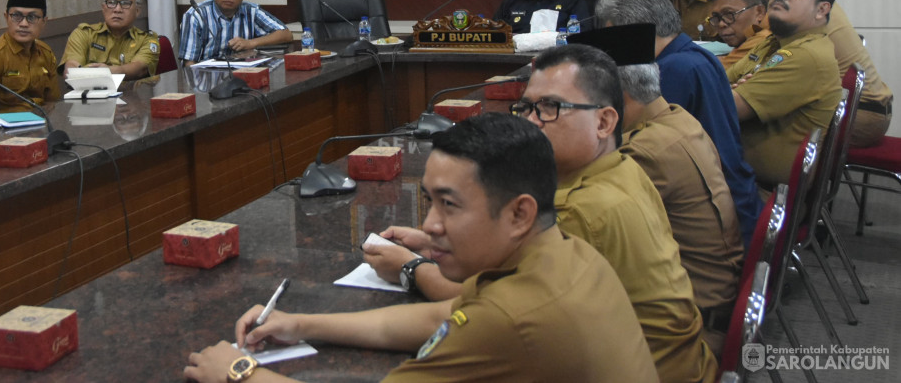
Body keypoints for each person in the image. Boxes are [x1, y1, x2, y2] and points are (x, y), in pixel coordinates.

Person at [185, 114, 658, 383]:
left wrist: (240, 371)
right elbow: (440, 319)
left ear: (519, 213)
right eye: (430, 201)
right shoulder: (564, 251)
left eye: (449, 205)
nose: (430, 226)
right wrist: (304, 324)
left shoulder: (514, 317)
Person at [367, 45, 717, 383]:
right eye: (528, 107)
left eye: (550, 107)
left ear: (604, 122)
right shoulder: (621, 168)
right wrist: (433, 241)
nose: (532, 122)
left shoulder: (585, 210)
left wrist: (408, 268)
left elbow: (476, 308)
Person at [570, 24, 742, 357]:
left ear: (616, 100)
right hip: (709, 299)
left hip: (691, 329)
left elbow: (578, 226)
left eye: (575, 103)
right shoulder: (677, 119)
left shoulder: (643, 153)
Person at [595, 0, 760, 247]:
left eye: (612, 34)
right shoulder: (692, 55)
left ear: (633, 29)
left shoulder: (671, 71)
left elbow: (638, 147)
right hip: (734, 196)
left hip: (721, 222)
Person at [757, 0, 893, 148]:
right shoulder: (816, 4)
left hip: (861, 115)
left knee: (756, 125)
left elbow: (762, 47)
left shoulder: (802, 13)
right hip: (868, 109)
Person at [727, 0, 842, 186]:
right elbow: (723, 82)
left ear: (821, 10)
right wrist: (730, 91)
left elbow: (724, 107)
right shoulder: (774, 42)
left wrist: (731, 92)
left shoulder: (806, 56)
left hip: (758, 191)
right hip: (737, 174)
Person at [178, 0, 291, 63]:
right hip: (206, 79)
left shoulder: (250, 11)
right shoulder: (196, 15)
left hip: (242, 76)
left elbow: (286, 34)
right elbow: (189, 65)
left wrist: (250, 43)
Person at [0, 0, 60, 114]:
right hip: (7, 129)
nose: (23, 24)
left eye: (32, 17)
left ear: (44, 21)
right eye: (16, 16)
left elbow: (52, 102)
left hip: (43, 124)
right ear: (6, 17)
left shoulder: (46, 53)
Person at [60, 0, 161, 78]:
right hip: (87, 92)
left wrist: (106, 72)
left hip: (130, 93)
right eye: (111, 3)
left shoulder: (147, 41)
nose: (117, 9)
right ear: (103, 8)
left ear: (137, 11)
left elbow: (139, 69)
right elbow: (70, 69)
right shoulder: (83, 34)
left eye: (125, 3)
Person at [705, 0, 769, 68]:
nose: (721, 24)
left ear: (759, 12)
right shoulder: (747, 38)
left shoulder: (765, 39)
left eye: (729, 14)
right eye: (716, 17)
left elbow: (714, 75)